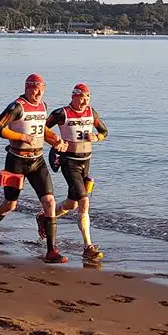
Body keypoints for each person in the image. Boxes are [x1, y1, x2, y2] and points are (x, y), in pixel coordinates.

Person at [0, 73, 68, 263]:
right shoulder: (17, 107)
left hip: (38, 161)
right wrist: (22, 137)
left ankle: (51, 251)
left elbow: (41, 129)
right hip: (16, 161)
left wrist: (55, 140)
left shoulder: (44, 106)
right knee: (10, 204)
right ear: (27, 88)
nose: (38, 93)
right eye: (34, 89)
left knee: (50, 203)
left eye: (41, 89)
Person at [46, 83, 109, 261]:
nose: (84, 101)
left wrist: (96, 137)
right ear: (73, 97)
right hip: (69, 162)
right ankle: (88, 247)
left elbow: (104, 131)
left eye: (87, 98)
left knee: (71, 204)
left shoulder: (91, 112)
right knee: (84, 201)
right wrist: (56, 142)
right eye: (81, 98)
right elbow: (43, 129)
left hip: (85, 162)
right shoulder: (62, 113)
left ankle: (46, 216)